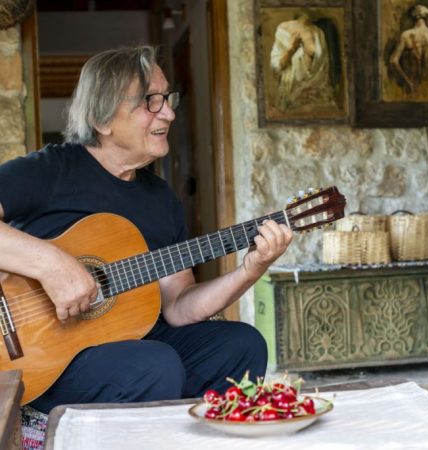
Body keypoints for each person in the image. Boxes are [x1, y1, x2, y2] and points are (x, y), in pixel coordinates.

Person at [0, 46, 293, 414]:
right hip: (41, 354)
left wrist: (251, 269)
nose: (168, 113)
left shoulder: (160, 200)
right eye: (151, 102)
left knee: (242, 343)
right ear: (101, 118)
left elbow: (179, 308)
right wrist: (52, 264)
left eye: (168, 98)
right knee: (155, 366)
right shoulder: (49, 170)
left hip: (130, 342)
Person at [270, 14, 336, 111]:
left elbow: (324, 70)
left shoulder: (319, 32)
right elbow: (276, 66)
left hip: (317, 96)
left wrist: (316, 91)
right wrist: (291, 49)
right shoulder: (283, 29)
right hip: (292, 96)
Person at [389, 4, 428, 101]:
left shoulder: (406, 35)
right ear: (426, 17)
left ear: (411, 18)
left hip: (414, 84)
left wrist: (407, 82)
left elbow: (393, 61)